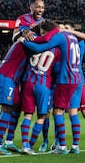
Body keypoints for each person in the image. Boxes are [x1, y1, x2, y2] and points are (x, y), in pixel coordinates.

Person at [21, 19, 84, 155]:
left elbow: (39, 47)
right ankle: (74, 145)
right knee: (71, 112)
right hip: (77, 78)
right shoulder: (72, 37)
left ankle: (61, 146)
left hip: (66, 78)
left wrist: (24, 40)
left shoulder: (59, 37)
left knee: (57, 112)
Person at [19, 20, 60, 155]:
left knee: (28, 114)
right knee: (42, 116)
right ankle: (31, 145)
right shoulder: (56, 49)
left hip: (28, 82)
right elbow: (58, 69)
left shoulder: (33, 42)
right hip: (43, 85)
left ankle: (25, 144)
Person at [62, 20, 85, 152]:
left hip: (73, 81)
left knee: (73, 112)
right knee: (83, 113)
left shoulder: (77, 42)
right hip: (79, 80)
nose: (65, 30)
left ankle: (75, 145)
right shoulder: (78, 41)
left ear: (72, 29)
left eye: (67, 28)